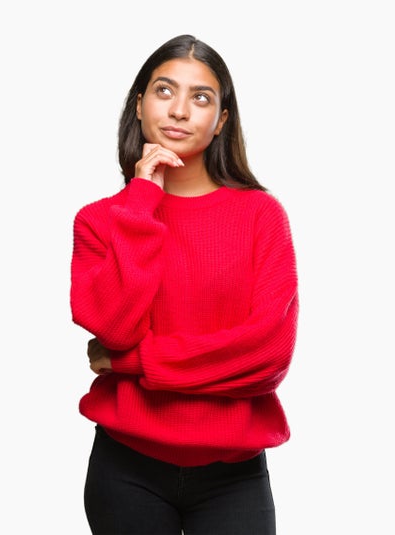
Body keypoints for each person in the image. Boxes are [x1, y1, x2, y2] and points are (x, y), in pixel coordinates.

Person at [70, 34, 299, 535]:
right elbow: (115, 326)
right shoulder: (100, 222)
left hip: (232, 477)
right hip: (125, 469)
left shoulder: (262, 216)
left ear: (220, 122)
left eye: (200, 98)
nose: (178, 110)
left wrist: (133, 365)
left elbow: (266, 358)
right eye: (164, 90)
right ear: (139, 105)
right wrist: (142, 201)